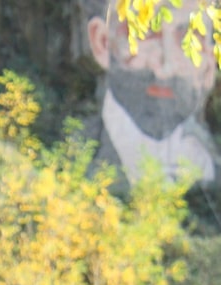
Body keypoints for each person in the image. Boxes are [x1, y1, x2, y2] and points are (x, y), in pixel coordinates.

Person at [85, 0, 219, 186]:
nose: (166, 70)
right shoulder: (72, 159)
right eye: (146, 34)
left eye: (189, 40)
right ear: (102, 42)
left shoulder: (210, 167)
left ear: (210, 63)